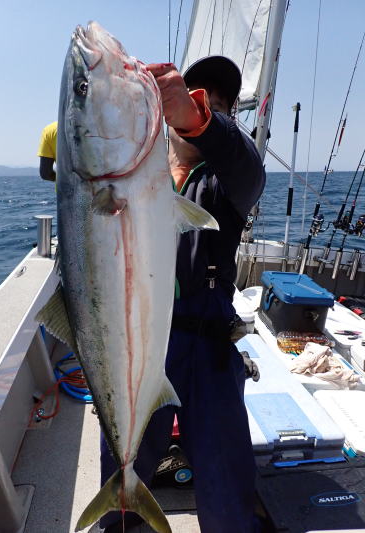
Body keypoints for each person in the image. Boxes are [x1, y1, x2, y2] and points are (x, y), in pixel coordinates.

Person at [100, 56, 265, 533]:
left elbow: (246, 165)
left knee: (226, 482)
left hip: (209, 351)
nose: (201, 107)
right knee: (122, 463)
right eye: (193, 97)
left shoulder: (229, 182)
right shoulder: (139, 170)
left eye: (216, 106)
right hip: (138, 342)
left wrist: (199, 121)